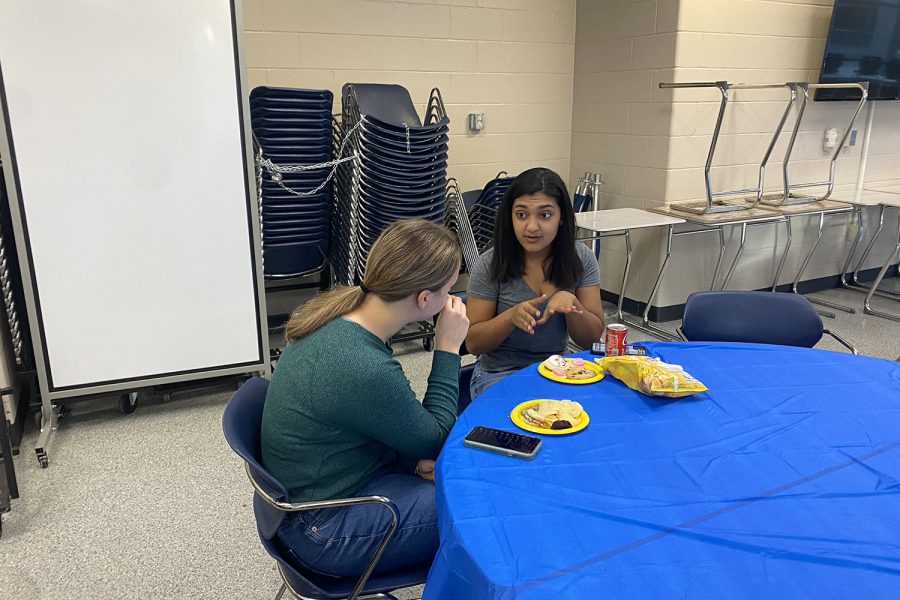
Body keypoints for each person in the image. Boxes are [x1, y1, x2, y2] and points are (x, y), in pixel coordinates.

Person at [260, 219, 469, 578]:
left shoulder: (344, 320)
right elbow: (435, 438)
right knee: (479, 505)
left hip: (314, 498)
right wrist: (448, 347)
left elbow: (371, 423)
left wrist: (408, 464)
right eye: (449, 290)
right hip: (320, 530)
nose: (451, 300)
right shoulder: (361, 363)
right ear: (424, 299)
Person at [465, 167, 605, 400]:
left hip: (559, 368)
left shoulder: (581, 258)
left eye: (545, 215)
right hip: (500, 372)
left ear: (561, 218)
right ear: (510, 217)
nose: (531, 227)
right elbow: (473, 344)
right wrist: (509, 318)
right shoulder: (490, 263)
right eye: (521, 215)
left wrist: (573, 307)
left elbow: (591, 339)